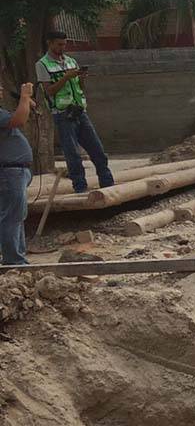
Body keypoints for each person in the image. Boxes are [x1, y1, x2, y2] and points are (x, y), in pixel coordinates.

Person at [37, 31, 115, 194]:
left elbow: (80, 87)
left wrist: (81, 78)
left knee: (98, 150)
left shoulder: (71, 61)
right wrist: (66, 77)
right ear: (49, 43)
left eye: (64, 44)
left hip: (79, 111)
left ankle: (108, 185)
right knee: (73, 155)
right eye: (59, 44)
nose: (62, 47)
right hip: (62, 114)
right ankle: (80, 188)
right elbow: (49, 91)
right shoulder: (42, 64)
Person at [1, 83, 35, 266]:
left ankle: (17, 257)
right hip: (9, 172)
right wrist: (24, 97)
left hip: (14, 171)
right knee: (12, 217)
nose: (1, 89)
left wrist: (25, 102)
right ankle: (14, 260)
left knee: (16, 216)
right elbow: (19, 120)